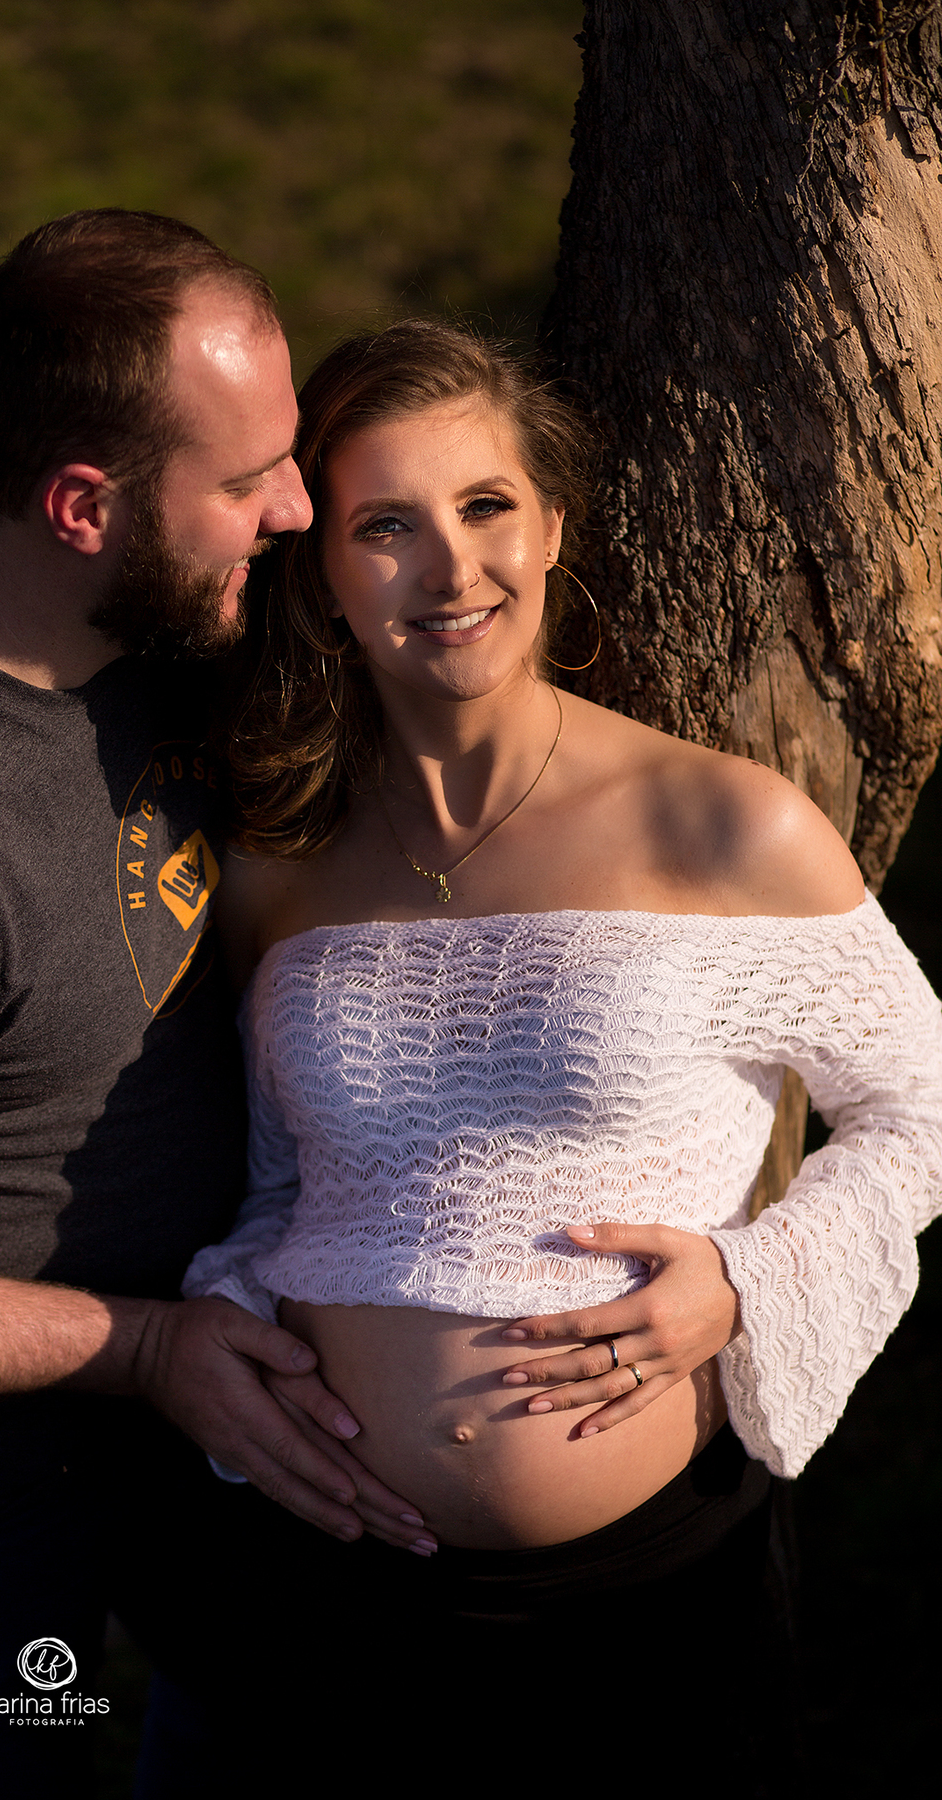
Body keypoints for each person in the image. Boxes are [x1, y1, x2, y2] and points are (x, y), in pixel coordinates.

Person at [183, 320, 942, 1792]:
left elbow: (925, 1106)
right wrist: (227, 1323)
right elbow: (290, 1185)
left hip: (647, 1598)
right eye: (385, 526)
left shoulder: (721, 825)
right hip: (334, 1583)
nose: (451, 569)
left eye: (486, 509)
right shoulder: (282, 873)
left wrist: (745, 1283)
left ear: (550, 530)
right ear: (324, 574)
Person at [0, 211, 428, 1800]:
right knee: (22, 1766)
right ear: (79, 504)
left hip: (201, 1348)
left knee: (286, 1708)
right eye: (250, 481)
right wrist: (140, 1354)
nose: (300, 507)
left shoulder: (98, 578)